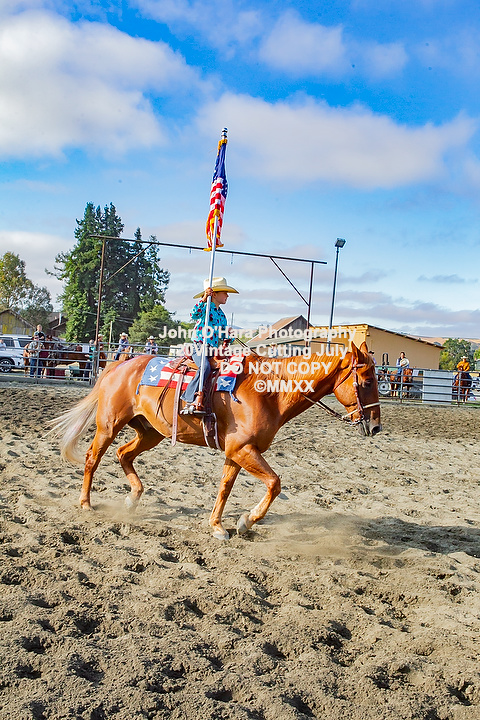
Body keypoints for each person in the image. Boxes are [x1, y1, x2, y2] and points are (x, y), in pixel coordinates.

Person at [181, 276, 238, 414]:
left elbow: (223, 334)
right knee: (205, 367)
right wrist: (204, 298)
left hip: (212, 348)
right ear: (215, 294)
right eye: (224, 292)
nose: (227, 295)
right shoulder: (205, 307)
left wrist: (229, 337)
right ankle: (189, 398)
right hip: (199, 346)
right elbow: (193, 314)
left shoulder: (221, 315)